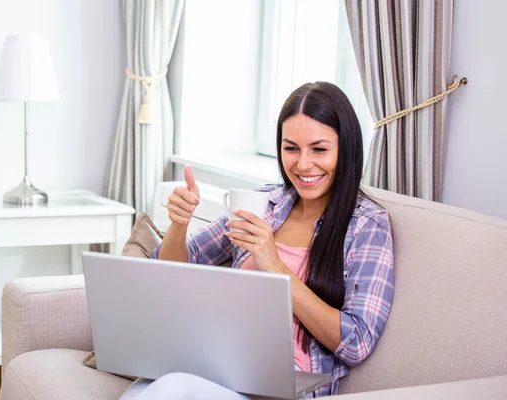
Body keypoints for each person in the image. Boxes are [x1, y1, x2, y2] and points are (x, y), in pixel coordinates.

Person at [119, 82, 395, 399]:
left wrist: (276, 268)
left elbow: (358, 341)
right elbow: (170, 271)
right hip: (217, 360)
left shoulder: (368, 226)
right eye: (291, 148)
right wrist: (179, 224)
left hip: (279, 384)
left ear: (346, 150)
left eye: (319, 149)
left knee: (172, 387)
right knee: (147, 385)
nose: (303, 164)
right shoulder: (265, 203)